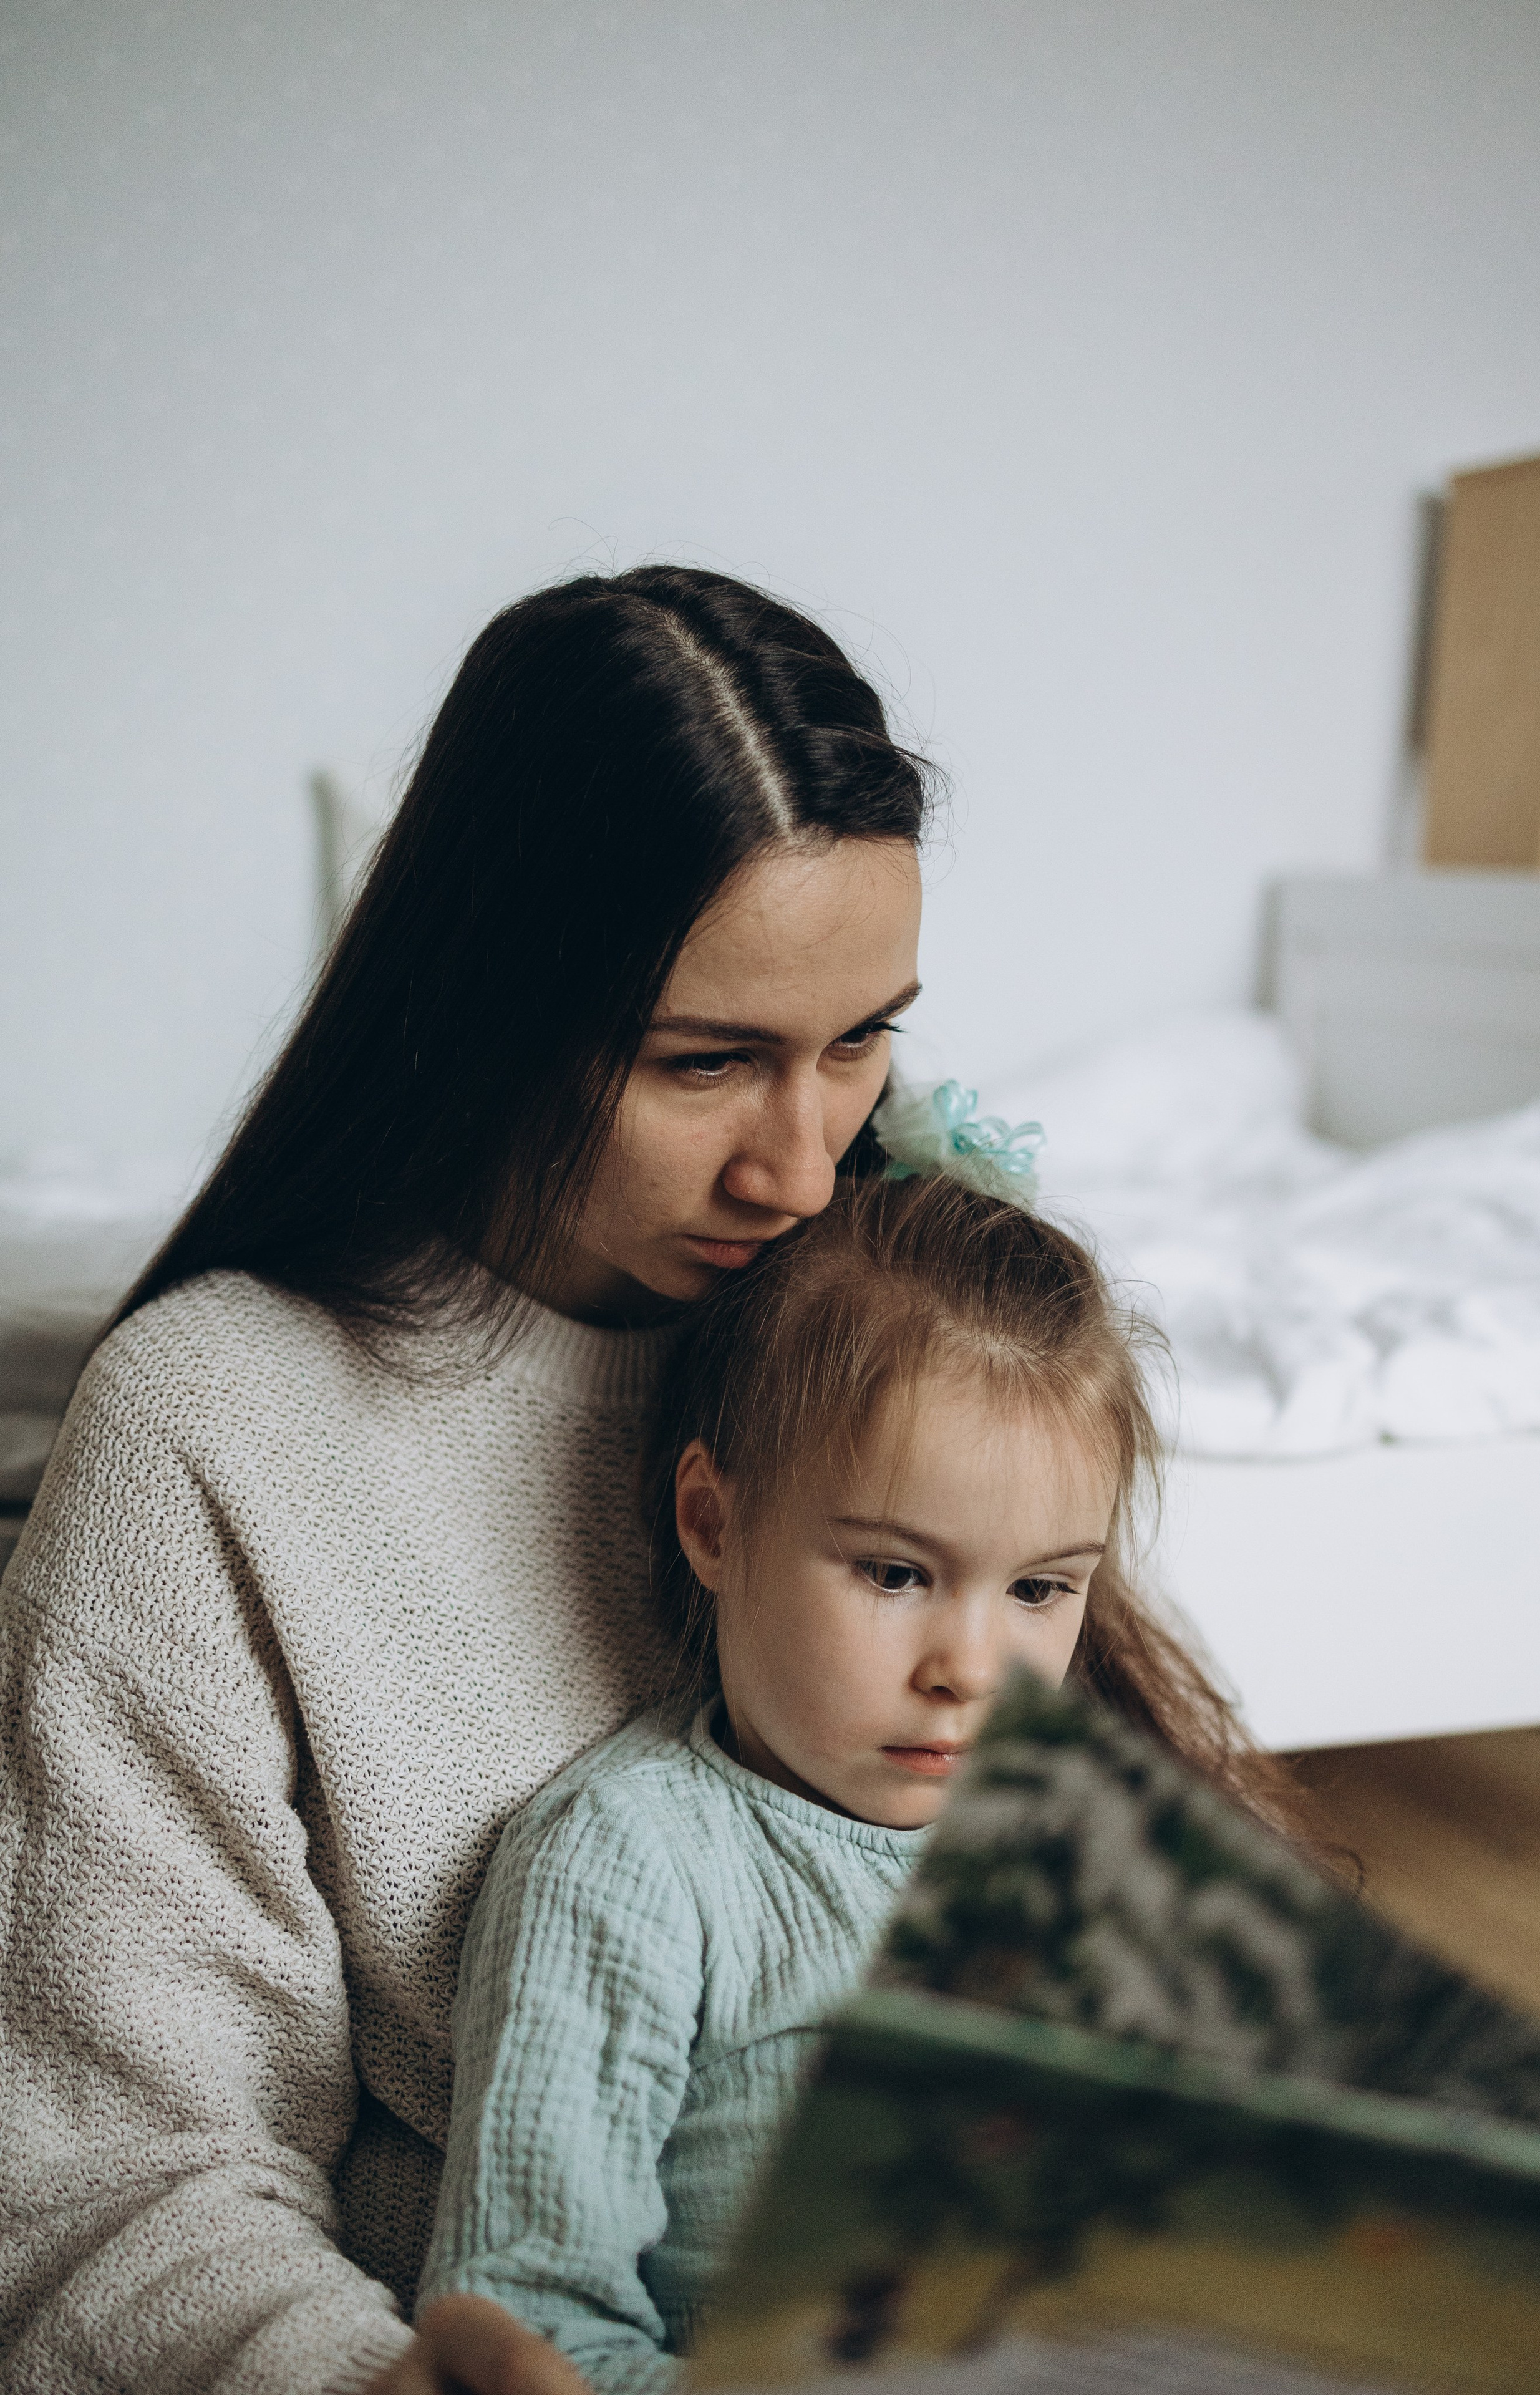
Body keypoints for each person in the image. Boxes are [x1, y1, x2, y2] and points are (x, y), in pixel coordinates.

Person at [0, 568, 927, 2395]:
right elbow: (107, 2186)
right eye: (706, 1064)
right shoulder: (212, 1432)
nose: (805, 1171)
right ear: (486, 1005)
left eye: (861, 1041)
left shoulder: (888, 1329)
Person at [416, 1171, 1297, 2393]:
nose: (969, 1671)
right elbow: (528, 2322)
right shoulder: (630, 1861)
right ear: (712, 1523)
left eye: (1039, 1589)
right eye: (894, 1574)